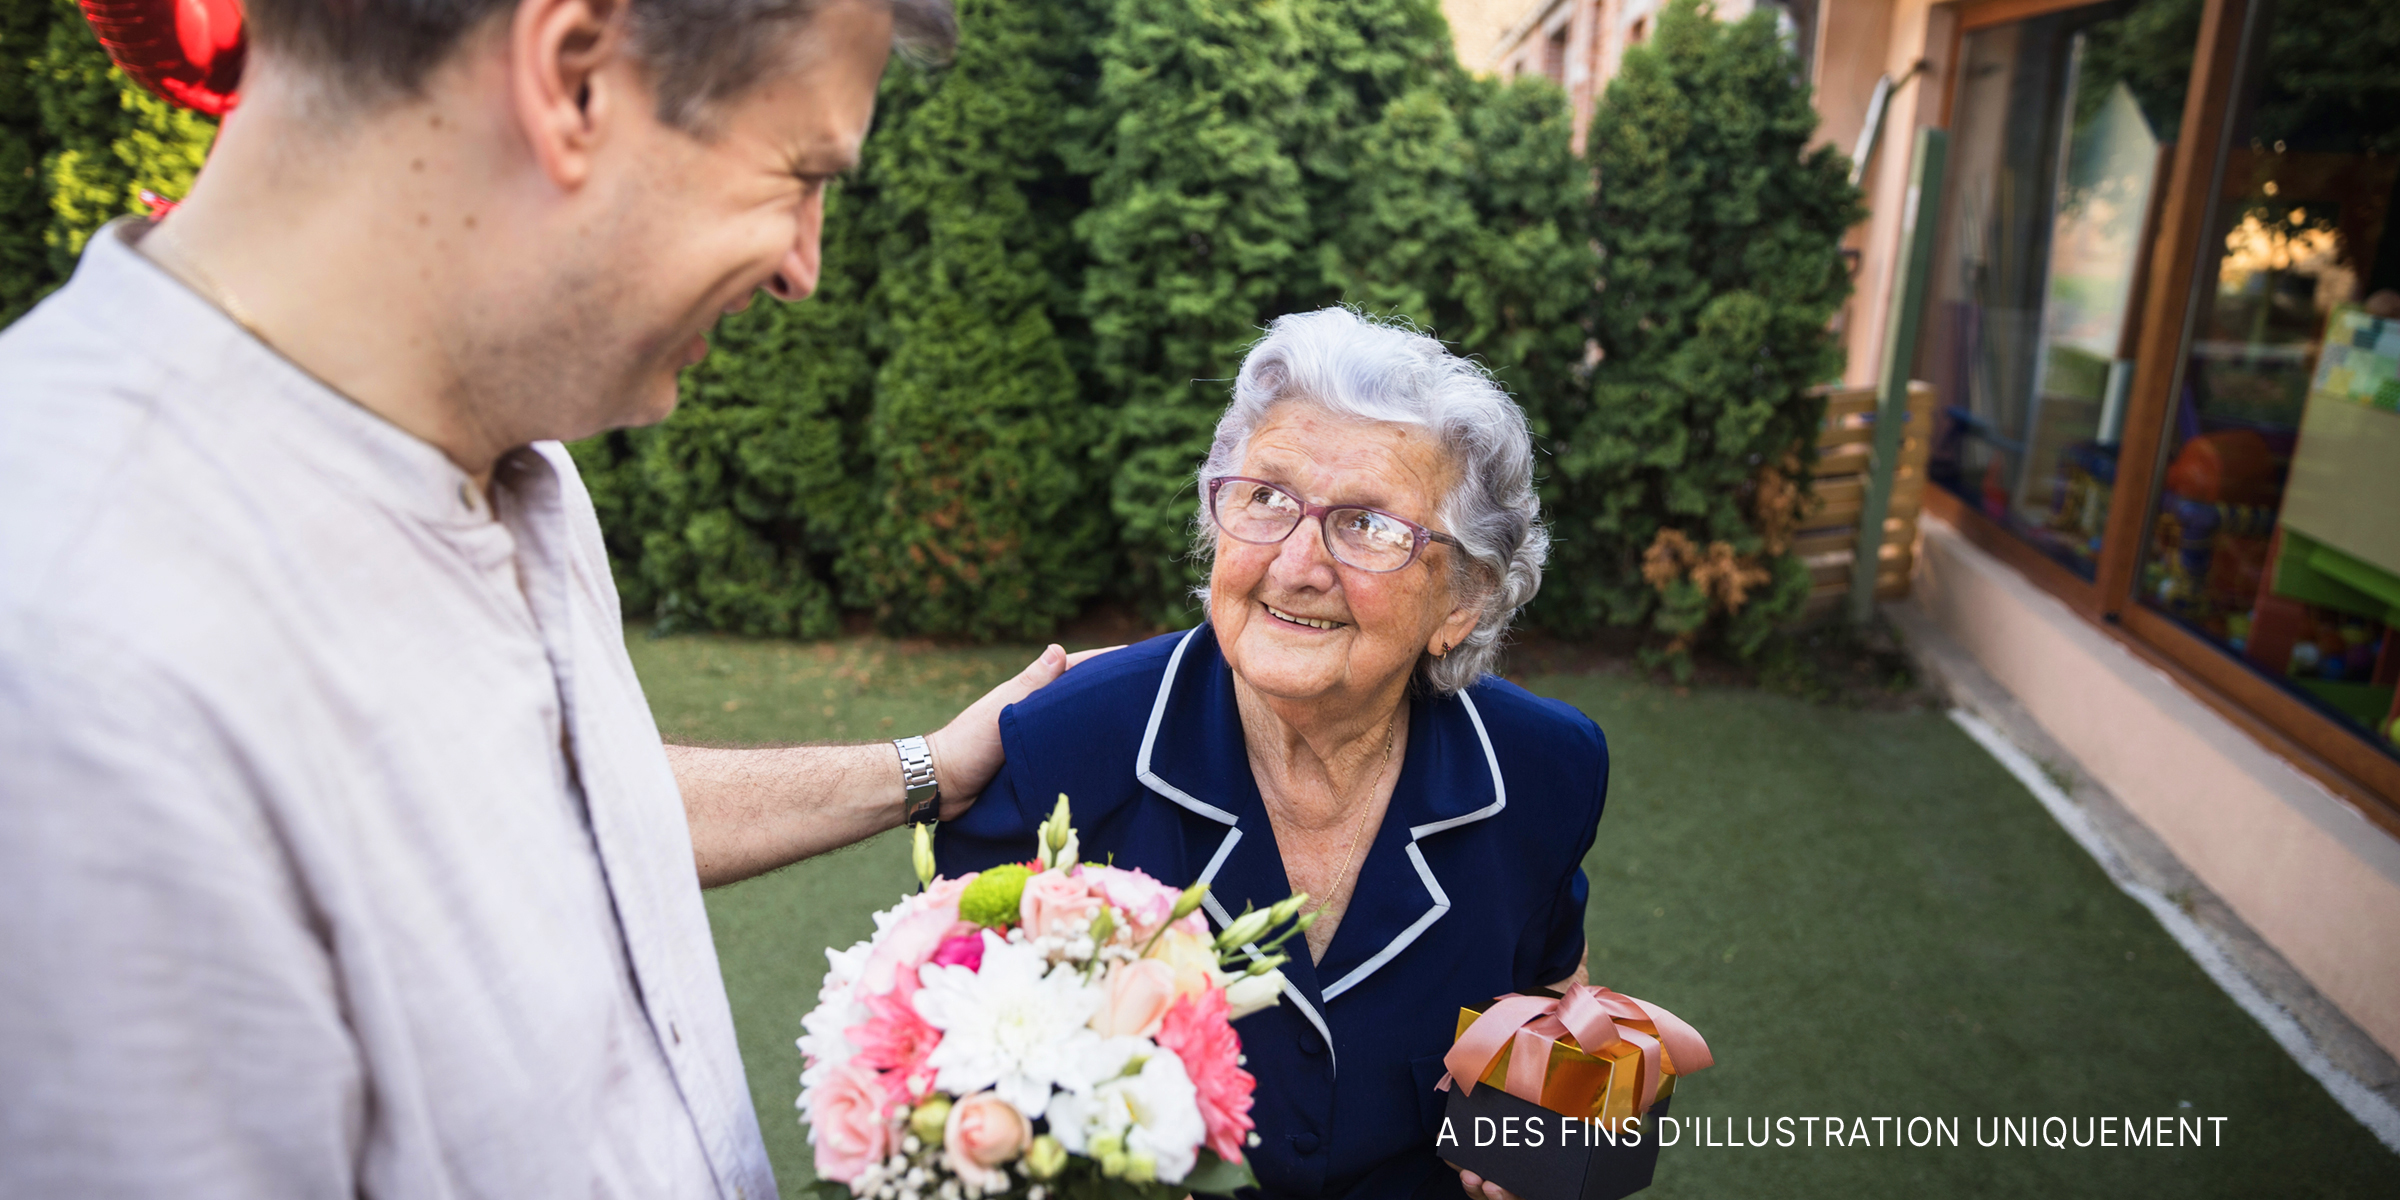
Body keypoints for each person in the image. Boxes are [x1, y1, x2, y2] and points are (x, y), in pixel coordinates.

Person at [0, 1, 1106, 1195]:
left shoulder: (510, 456)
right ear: (573, 75)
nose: (804, 267)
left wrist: (931, 766)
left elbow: (575, 803)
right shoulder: (73, 668)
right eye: (799, 174)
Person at [937, 308, 1607, 1200]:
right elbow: (937, 1059)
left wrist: (1556, 1137)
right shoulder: (1066, 747)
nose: (1297, 562)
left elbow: (1563, 1010)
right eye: (1268, 498)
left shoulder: (1542, 767)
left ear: (1465, 600)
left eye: (1368, 523)